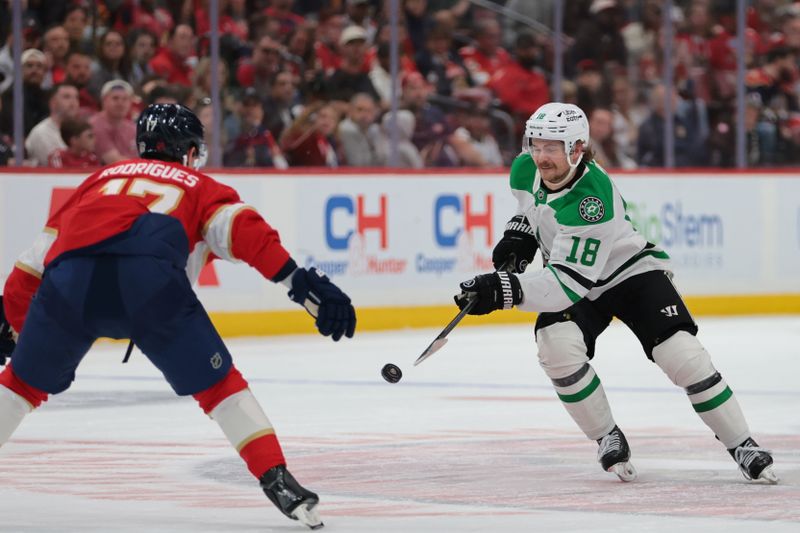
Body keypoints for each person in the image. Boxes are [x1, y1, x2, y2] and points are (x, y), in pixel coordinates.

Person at [0, 104, 356, 529]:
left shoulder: (98, 180)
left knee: (21, 384)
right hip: (148, 285)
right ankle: (278, 480)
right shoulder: (200, 185)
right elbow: (244, 231)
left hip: (69, 281)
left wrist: (14, 323)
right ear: (188, 151)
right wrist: (300, 285)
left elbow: (32, 263)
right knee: (220, 388)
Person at [453, 102, 778, 484]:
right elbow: (532, 208)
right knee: (556, 349)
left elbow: (566, 285)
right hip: (573, 275)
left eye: (551, 148)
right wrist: (519, 234)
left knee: (682, 355)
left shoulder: (593, 200)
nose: (541, 157)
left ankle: (742, 444)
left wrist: (503, 290)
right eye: (536, 145)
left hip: (629, 274)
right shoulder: (525, 168)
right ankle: (606, 435)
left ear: (577, 148)